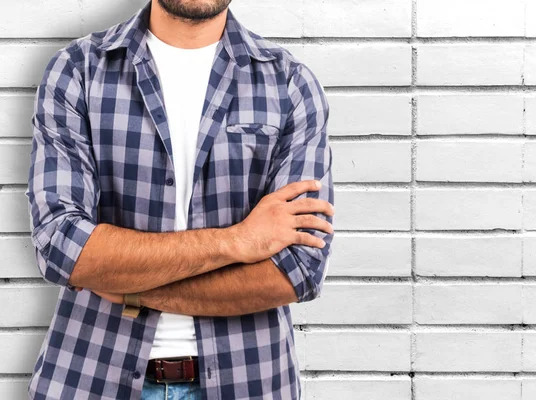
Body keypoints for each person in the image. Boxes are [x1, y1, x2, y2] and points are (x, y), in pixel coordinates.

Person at [24, 0, 334, 398]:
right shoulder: (78, 70)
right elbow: (62, 246)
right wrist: (238, 240)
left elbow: (297, 269)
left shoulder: (290, 84)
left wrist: (129, 288)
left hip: (248, 380)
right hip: (91, 376)